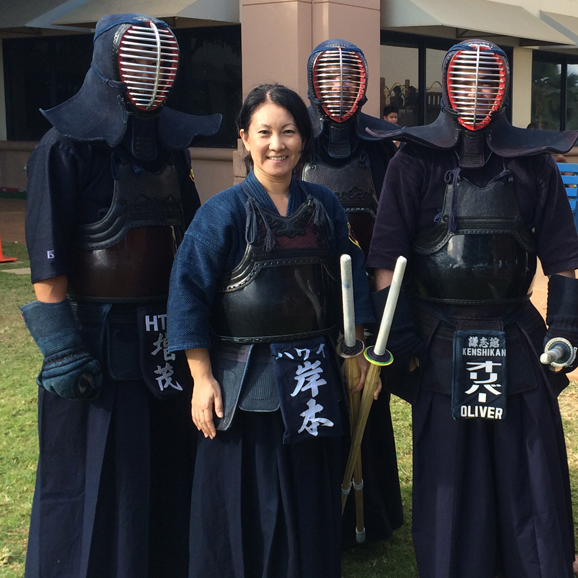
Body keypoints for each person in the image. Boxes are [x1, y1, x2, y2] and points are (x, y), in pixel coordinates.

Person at [368, 39, 578, 578]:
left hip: (515, 330)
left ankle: (536, 562)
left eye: (486, 81)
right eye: (463, 81)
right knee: (450, 466)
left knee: (528, 462)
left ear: (502, 90)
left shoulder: (534, 164)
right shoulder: (412, 160)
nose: (475, 92)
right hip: (438, 334)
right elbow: (387, 259)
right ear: (446, 89)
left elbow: (563, 257)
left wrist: (565, 326)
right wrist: (400, 335)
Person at [20, 13, 220, 578]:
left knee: (166, 463)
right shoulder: (64, 149)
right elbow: (49, 264)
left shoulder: (172, 151)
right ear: (110, 63)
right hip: (98, 341)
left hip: (167, 335)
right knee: (97, 473)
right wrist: (63, 351)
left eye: (160, 63)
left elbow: (191, 237)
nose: (150, 73)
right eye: (138, 60)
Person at [167, 83, 373, 578]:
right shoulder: (221, 212)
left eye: (289, 131)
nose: (277, 144)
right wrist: (201, 377)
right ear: (244, 138)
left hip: (312, 370)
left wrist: (358, 351)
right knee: (248, 491)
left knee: (308, 486)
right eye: (264, 133)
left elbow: (351, 280)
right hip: (245, 379)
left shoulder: (324, 205)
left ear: (303, 139)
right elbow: (188, 293)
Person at [302, 38, 404, 543]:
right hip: (306, 298)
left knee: (367, 396)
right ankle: (318, 511)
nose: (339, 87)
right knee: (313, 398)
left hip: (366, 298)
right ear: (314, 84)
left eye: (349, 78)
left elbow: (394, 222)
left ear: (362, 86)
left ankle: (371, 513)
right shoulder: (299, 142)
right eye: (329, 78)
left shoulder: (381, 148)